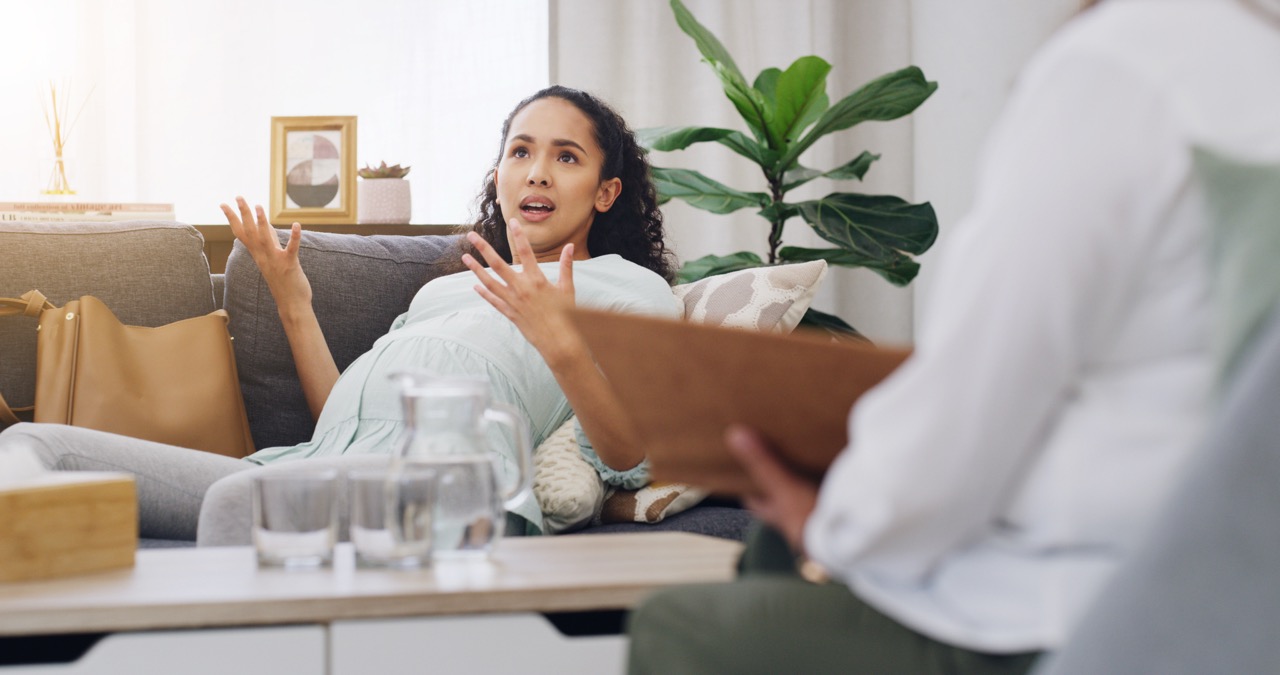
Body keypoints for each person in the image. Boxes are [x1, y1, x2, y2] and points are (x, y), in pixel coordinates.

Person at [626, 1, 1280, 673]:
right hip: (1228, 596)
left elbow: (979, 398)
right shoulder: (1254, 61)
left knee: (685, 626)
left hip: (1079, 605)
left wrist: (834, 527)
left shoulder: (1119, 65)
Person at [0, 85, 680, 540]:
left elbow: (635, 460)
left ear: (605, 192)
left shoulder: (631, 290)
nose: (536, 172)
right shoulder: (447, 288)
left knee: (236, 510)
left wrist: (561, 345)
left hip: (447, 488)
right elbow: (342, 423)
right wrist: (294, 302)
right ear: (499, 175)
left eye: (567, 157)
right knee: (36, 448)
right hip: (311, 468)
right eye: (521, 151)